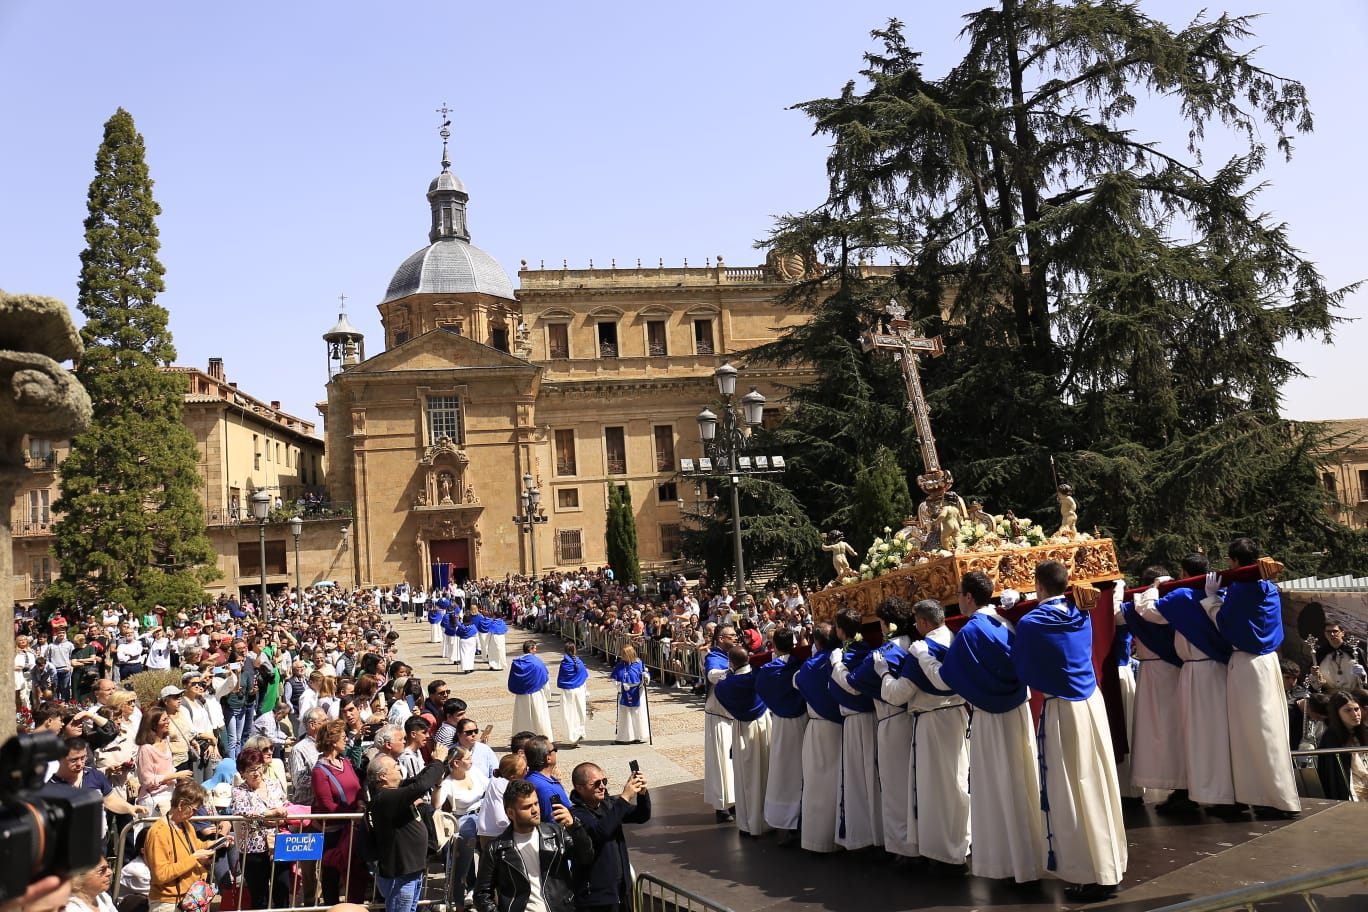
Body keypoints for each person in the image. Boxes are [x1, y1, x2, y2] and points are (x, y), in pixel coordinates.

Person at [1013, 560, 1126, 903]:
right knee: (1098, 785)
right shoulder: (1082, 613)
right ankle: (1109, 865)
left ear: (1039, 586)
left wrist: (1010, 611)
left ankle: (1089, 873)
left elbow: (1021, 666)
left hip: (1063, 709)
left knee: (1072, 791)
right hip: (1092, 703)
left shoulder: (1031, 622)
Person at [1135, 552, 1235, 815]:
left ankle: (1210, 794)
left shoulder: (1181, 596)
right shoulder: (1216, 594)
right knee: (1220, 733)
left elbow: (1149, 612)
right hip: (1220, 670)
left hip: (1198, 673)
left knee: (1199, 735)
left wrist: (1153, 589)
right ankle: (1220, 793)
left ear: (1182, 572)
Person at [1213, 537, 1302, 819]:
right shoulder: (1269, 587)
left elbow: (1224, 622)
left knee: (1254, 732)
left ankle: (1272, 797)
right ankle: (1267, 795)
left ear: (1235, 561)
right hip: (1268, 661)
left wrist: (1212, 600)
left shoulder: (1241, 589)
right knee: (1267, 729)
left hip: (1248, 663)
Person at [895, 599, 971, 871]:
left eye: (917, 621)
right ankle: (962, 843)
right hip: (957, 716)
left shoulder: (922, 650)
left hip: (932, 721)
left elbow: (898, 693)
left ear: (924, 622)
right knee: (958, 780)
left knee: (935, 788)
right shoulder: (957, 639)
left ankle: (945, 852)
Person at [1119, 568, 1188, 807]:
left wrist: (1120, 592)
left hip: (1159, 674)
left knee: (1170, 732)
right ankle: (1180, 786)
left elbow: (1116, 614)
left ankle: (1182, 788)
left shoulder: (1142, 606)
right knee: (1172, 731)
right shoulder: (1176, 601)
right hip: (1168, 671)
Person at [473, 778, 592, 912]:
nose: (535, 810)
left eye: (536, 803)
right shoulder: (497, 848)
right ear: (510, 813)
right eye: (527, 807)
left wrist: (575, 827)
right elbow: (481, 894)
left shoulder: (556, 834)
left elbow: (585, 859)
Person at [366, 741, 449, 912]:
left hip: (412, 870)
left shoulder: (394, 792)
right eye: (395, 766)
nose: (399, 768)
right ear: (383, 776)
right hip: (400, 874)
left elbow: (418, 780)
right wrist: (438, 762)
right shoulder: (385, 798)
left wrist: (437, 763)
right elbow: (421, 786)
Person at [828, 607, 882, 851]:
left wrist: (837, 665)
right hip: (866, 719)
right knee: (869, 778)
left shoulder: (847, 654)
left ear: (840, 630)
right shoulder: (866, 650)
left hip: (858, 718)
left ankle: (867, 836)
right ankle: (869, 833)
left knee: (860, 780)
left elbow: (853, 685)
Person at [569, 762, 650, 912]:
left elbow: (641, 816)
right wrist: (624, 798)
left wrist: (642, 793)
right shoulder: (576, 815)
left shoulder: (608, 805)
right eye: (596, 783)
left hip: (620, 890)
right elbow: (601, 832)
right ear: (579, 788)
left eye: (604, 781)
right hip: (595, 897)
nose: (602, 787)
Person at [753, 627, 806, 844]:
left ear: (774, 645)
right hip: (804, 720)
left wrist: (776, 706)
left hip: (782, 722)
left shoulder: (767, 671)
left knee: (785, 772)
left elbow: (761, 690)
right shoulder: (802, 664)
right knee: (802, 770)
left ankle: (786, 823)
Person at [793, 622, 842, 853]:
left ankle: (816, 839)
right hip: (840, 727)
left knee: (816, 783)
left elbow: (799, 683)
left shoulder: (810, 667)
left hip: (818, 727)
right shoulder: (842, 660)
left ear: (817, 642)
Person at [713, 645, 771, 836]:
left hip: (741, 728)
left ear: (731, 663)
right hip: (762, 725)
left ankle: (747, 823)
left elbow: (720, 692)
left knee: (745, 776)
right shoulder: (759, 675)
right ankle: (768, 820)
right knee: (765, 772)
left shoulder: (725, 685)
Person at [311, 720, 367, 905]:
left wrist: (360, 803)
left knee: (354, 872)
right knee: (331, 876)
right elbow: (327, 804)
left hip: (352, 827)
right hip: (333, 832)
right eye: (343, 737)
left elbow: (358, 787)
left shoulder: (345, 762)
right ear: (333, 740)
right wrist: (351, 814)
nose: (346, 740)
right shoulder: (320, 771)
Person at [228, 747, 291, 910]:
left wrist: (280, 814)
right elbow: (243, 812)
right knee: (259, 897)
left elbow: (284, 805)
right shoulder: (239, 791)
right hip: (253, 850)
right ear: (242, 772)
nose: (256, 773)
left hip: (279, 844)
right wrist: (270, 814)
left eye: (258, 767)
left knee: (282, 891)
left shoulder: (274, 784)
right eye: (251, 770)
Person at [145, 781, 220, 912]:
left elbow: (195, 846)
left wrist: (214, 844)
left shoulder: (186, 825)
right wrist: (194, 858)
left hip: (192, 899)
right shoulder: (159, 832)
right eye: (194, 810)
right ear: (181, 804)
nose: (195, 814)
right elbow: (160, 875)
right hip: (168, 904)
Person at [435, 745, 488, 911]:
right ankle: (458, 905)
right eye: (467, 758)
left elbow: (489, 787)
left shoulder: (475, 772)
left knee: (490, 857)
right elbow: (436, 804)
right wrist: (437, 785)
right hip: (464, 821)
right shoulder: (448, 783)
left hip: (483, 816)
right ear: (456, 763)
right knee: (462, 866)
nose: (471, 761)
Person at [701, 624, 737, 823]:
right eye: (731, 635)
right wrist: (732, 672)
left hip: (733, 716)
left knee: (734, 762)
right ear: (721, 639)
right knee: (721, 762)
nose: (735, 638)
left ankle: (736, 800)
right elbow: (712, 674)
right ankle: (722, 806)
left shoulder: (733, 655)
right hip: (718, 717)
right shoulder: (714, 656)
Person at [135, 707, 191, 813]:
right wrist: (176, 775)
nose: (168, 722)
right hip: (153, 798)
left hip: (170, 793)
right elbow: (147, 780)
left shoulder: (166, 740)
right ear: (154, 725)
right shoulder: (146, 749)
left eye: (167, 719)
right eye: (164, 720)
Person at [1317, 691, 1368, 801]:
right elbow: (1334, 777)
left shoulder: (1361, 733)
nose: (1355, 714)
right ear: (1337, 713)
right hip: (1349, 791)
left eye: (1356, 709)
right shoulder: (1331, 737)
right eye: (1348, 710)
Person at [508, 641, 554, 738]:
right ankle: (542, 737)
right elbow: (544, 677)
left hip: (522, 695)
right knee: (539, 717)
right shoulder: (537, 662)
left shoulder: (516, 663)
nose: (536, 650)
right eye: (535, 648)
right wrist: (547, 693)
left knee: (523, 717)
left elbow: (513, 678)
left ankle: (522, 738)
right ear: (531, 649)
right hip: (536, 693)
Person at [522, 735, 570, 820]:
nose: (555, 752)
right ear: (548, 758)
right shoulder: (547, 790)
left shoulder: (530, 778)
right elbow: (553, 824)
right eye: (554, 749)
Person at [610, 645, 649, 744]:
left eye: (624, 654)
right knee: (625, 715)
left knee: (637, 714)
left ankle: (638, 736)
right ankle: (625, 737)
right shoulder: (620, 665)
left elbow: (644, 675)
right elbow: (615, 678)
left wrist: (646, 677)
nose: (622, 656)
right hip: (624, 691)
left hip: (637, 691)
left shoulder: (639, 663)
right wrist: (621, 686)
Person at [1315, 622, 1366, 693]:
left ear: (1342, 633)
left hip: (1353, 695)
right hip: (1330, 695)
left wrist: (1363, 675)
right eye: (1328, 632)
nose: (1332, 634)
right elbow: (1316, 681)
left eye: (1335, 631)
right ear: (1325, 634)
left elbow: (1365, 676)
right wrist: (1314, 675)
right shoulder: (1320, 653)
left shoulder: (1355, 652)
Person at [557, 644, 589, 747]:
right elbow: (584, 676)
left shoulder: (564, 664)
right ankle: (580, 732)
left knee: (569, 714)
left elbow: (561, 679)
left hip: (568, 691)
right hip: (579, 690)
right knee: (580, 712)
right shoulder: (579, 662)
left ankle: (572, 736)